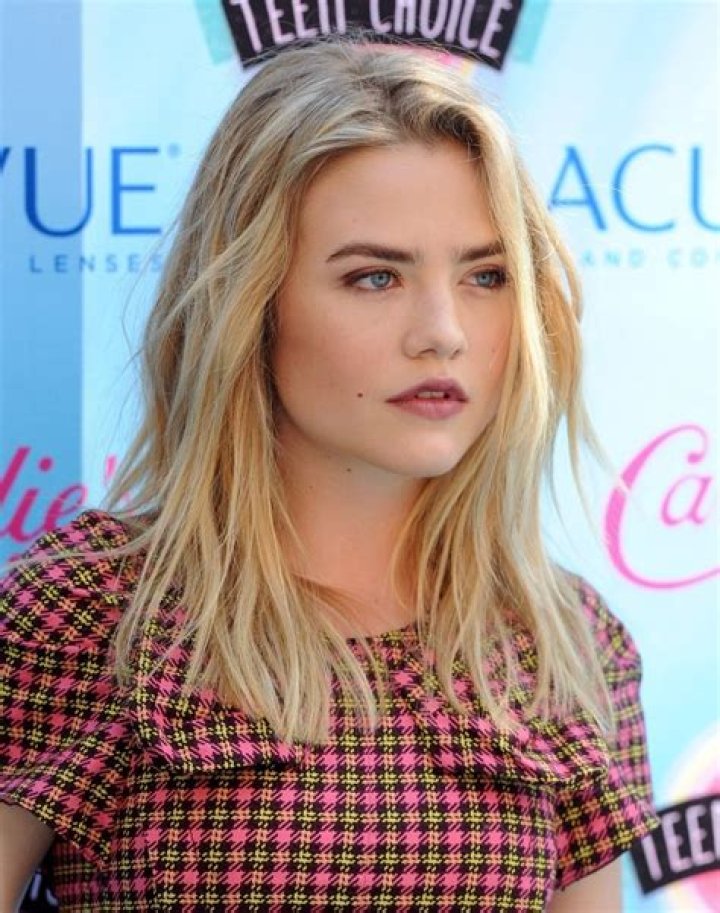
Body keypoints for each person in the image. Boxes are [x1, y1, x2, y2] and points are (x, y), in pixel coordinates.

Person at [0, 37, 659, 913]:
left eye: (487, 275)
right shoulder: (85, 613)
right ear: (250, 302)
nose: (443, 331)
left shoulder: (567, 642)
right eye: (375, 276)